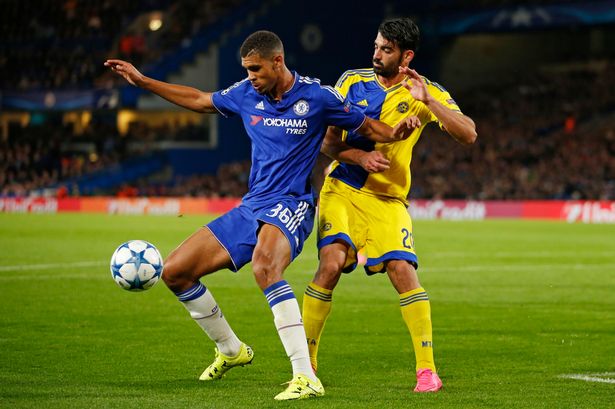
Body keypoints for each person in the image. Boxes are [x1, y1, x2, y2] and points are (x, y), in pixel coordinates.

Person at [105, 30, 417, 401]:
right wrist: (143, 81)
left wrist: (395, 133)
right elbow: (200, 99)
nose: (251, 76)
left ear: (277, 62)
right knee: (176, 271)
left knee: (265, 267)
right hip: (253, 205)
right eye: (247, 70)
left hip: (293, 203)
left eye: (255, 69)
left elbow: (366, 126)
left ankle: (306, 377)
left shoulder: (318, 97)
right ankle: (231, 350)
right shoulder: (246, 94)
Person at [302, 18, 477, 393]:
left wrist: (429, 101)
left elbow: (469, 134)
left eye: (386, 49)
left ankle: (427, 372)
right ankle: (307, 365)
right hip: (344, 188)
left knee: (403, 271)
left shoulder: (424, 91)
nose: (376, 54)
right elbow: (327, 144)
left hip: (388, 198)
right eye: (376, 46)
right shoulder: (351, 81)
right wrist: (360, 158)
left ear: (406, 55)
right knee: (330, 264)